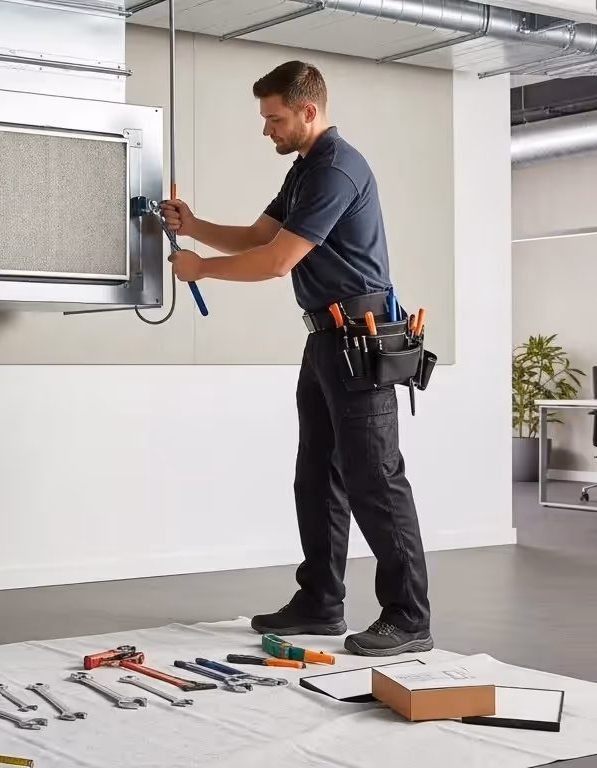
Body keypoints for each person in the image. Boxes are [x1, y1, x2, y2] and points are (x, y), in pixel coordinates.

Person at [162, 61, 432, 657]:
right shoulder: (306, 169)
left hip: (361, 338)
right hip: (326, 339)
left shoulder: (336, 168)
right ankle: (320, 602)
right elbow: (261, 236)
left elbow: (279, 261)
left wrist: (201, 268)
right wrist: (196, 227)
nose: (267, 130)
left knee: (375, 479)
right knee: (318, 477)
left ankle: (410, 617)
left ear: (308, 111)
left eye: (275, 118)